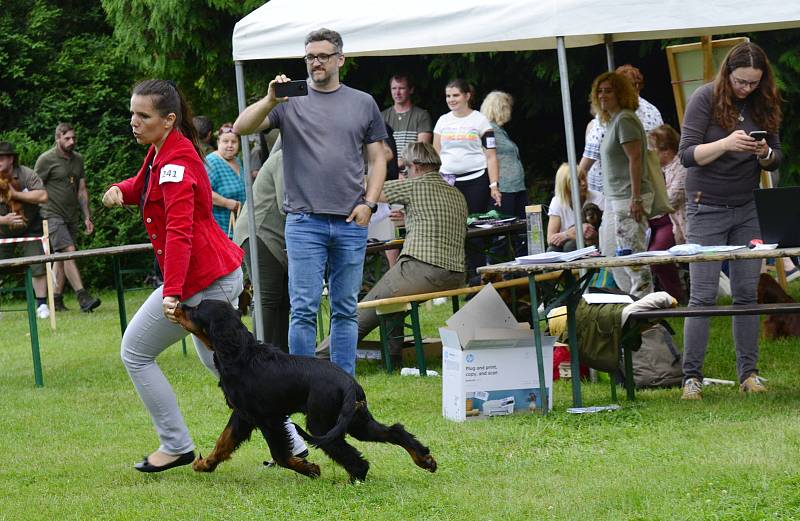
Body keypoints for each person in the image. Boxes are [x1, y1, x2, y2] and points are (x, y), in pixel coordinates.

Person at [101, 79, 306, 473]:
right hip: (211, 276)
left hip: (202, 282)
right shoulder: (165, 150)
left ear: (169, 119)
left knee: (136, 352)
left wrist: (172, 294)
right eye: (133, 113)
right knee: (233, 370)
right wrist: (121, 190)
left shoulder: (176, 161)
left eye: (143, 116)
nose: (134, 122)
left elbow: (181, 234)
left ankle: (175, 445)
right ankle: (293, 442)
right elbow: (145, 185)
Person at [233, 28, 387, 376]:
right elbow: (241, 128)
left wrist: (370, 203)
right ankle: (304, 385)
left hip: (350, 221)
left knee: (346, 308)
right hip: (304, 223)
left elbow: (378, 158)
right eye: (310, 57)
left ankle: (344, 385)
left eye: (323, 56)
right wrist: (270, 100)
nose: (315, 62)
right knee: (303, 308)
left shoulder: (363, 102)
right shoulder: (290, 101)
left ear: (340, 59)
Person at [677, 42, 782, 400]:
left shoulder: (764, 101)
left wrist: (764, 153)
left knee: (745, 295)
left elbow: (775, 159)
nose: (746, 89)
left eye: (753, 83)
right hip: (705, 206)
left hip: (747, 207)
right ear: (727, 75)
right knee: (703, 296)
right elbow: (688, 154)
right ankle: (691, 377)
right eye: (740, 82)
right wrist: (726, 144)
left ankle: (748, 374)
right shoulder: (704, 98)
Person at [317, 142, 467, 368]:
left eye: (405, 169)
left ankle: (317, 360)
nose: (404, 174)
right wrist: (409, 219)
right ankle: (392, 358)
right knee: (391, 301)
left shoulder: (416, 186)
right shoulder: (456, 193)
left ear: (415, 167)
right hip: (456, 274)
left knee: (362, 310)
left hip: (423, 270)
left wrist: (339, 172)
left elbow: (372, 189)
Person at [592, 71, 654, 298]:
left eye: (608, 90)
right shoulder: (614, 120)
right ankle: (632, 300)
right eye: (599, 91)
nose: (602, 95)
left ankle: (645, 308)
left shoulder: (625, 119)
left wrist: (636, 198)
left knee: (632, 256)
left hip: (628, 197)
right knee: (615, 253)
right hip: (616, 198)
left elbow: (635, 158)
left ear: (621, 93)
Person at [34, 123, 101, 312]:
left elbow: (81, 190)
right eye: (67, 138)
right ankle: (83, 297)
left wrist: (87, 216)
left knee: (62, 257)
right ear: (58, 138)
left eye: (74, 138)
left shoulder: (77, 159)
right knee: (69, 251)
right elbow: (34, 187)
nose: (72, 142)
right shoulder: (46, 160)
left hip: (71, 215)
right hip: (51, 214)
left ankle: (55, 300)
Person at [233, 138, 289, 351]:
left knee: (283, 299)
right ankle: (258, 358)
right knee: (268, 297)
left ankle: (281, 357)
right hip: (259, 233)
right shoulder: (284, 158)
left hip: (274, 234)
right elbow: (288, 203)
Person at [579, 64, 664, 194]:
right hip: (647, 182)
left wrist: (574, 183)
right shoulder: (653, 110)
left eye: (609, 90)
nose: (603, 95)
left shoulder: (616, 117)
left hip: (612, 188)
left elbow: (590, 156)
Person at [433, 78, 500, 214]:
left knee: (475, 223)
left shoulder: (480, 120)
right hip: (447, 182)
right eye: (448, 96)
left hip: (476, 181)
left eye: (455, 95)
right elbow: (435, 153)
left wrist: (494, 186)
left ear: (467, 96)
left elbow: (491, 157)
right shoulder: (442, 120)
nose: (451, 99)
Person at [0, 142, 50, 318]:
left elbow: (42, 196)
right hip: (2, 231)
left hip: (30, 227)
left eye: (2, 157)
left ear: (11, 158)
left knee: (38, 265)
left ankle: (42, 305)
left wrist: (15, 195)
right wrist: (4, 220)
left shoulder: (26, 174)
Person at [646, 124, 687, 302]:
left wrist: (643, 208)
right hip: (667, 221)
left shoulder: (681, 168)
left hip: (682, 225)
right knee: (653, 255)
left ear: (666, 150)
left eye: (653, 149)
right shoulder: (661, 169)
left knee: (657, 255)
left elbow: (670, 200)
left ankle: (676, 296)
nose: (650, 153)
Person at [479, 91, 529, 222]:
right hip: (504, 188)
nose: (510, 111)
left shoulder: (499, 130)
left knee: (521, 227)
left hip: (515, 187)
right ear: (500, 108)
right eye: (508, 107)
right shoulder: (488, 129)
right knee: (504, 227)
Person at [546, 163, 604, 252]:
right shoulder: (557, 202)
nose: (584, 183)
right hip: (567, 246)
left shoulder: (598, 198)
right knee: (552, 249)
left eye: (584, 178)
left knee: (571, 246)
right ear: (565, 185)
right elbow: (551, 240)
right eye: (578, 181)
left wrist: (569, 235)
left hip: (594, 247)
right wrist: (569, 234)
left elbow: (606, 235)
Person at [205, 123, 245, 238]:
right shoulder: (211, 162)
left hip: (238, 228)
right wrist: (226, 203)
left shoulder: (238, 160)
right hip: (220, 230)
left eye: (234, 142)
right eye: (225, 141)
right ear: (218, 142)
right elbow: (203, 191)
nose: (230, 145)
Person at [381, 74, 433, 163]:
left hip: (413, 170)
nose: (397, 92)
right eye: (394, 88)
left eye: (401, 88)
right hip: (389, 171)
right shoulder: (382, 117)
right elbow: (379, 150)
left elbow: (421, 151)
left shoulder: (422, 115)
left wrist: (401, 165)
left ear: (411, 90)